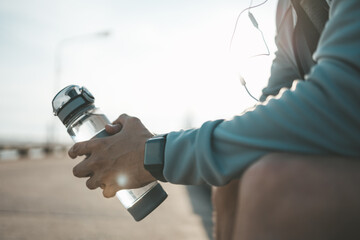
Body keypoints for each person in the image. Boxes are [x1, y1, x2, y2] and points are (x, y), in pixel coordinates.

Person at [68, 0, 360, 239]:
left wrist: (157, 153)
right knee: (231, 178)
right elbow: (273, 101)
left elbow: (344, 98)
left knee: (272, 184)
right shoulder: (288, 9)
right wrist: (151, 144)